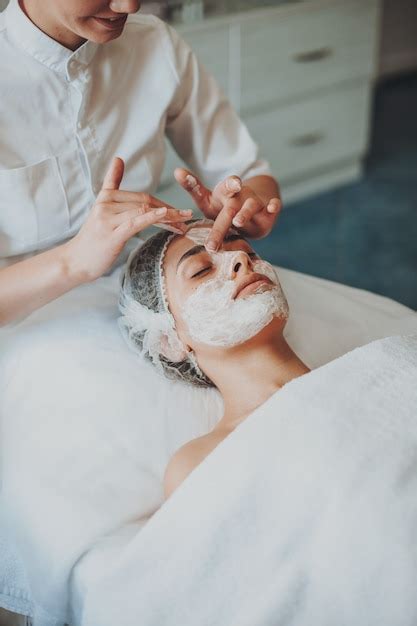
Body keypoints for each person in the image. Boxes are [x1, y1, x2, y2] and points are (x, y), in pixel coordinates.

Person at [0, 0, 282, 326]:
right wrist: (73, 262)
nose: (129, 6)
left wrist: (247, 206)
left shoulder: (154, 43)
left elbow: (250, 174)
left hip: (154, 301)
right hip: (28, 325)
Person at [117, 219, 311, 499]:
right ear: (168, 341)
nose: (242, 259)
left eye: (249, 252)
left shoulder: (370, 367)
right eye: (201, 270)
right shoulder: (202, 463)